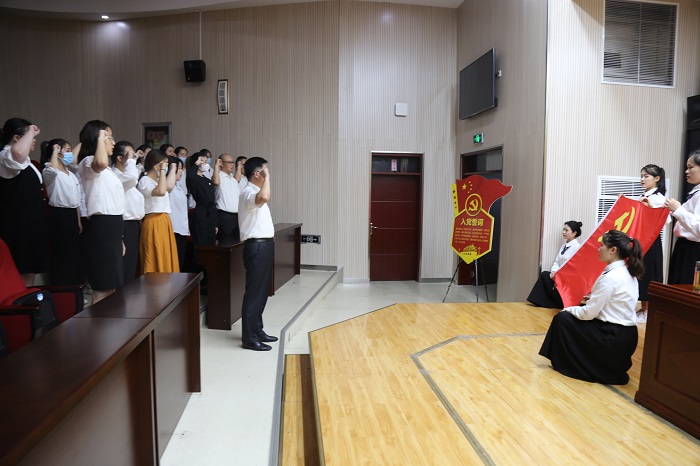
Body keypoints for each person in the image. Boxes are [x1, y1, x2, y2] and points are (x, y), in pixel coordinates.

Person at [539, 229, 643, 385]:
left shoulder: (611, 277)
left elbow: (589, 314)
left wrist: (569, 309)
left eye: (602, 245)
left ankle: (568, 363)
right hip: (627, 336)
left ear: (613, 250)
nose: (598, 249)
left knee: (563, 319)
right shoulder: (628, 273)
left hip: (611, 337)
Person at [77, 120, 136, 304]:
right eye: (109, 138)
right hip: (100, 227)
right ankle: (97, 322)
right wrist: (101, 138)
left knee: (111, 285)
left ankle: (107, 321)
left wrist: (119, 238)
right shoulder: (88, 162)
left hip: (113, 227)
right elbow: (101, 161)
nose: (113, 143)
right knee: (102, 286)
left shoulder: (108, 171)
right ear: (97, 138)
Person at [0, 118, 47, 286]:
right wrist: (31, 130)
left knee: (29, 270)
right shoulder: (6, 156)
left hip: (30, 224)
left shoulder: (27, 161)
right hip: (18, 226)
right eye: (29, 136)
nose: (33, 140)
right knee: (19, 271)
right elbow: (18, 153)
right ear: (16, 138)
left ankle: (28, 299)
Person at [238, 156, 277, 351]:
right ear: (257, 174)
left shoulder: (255, 191)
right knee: (254, 293)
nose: (268, 174)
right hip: (256, 247)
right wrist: (267, 178)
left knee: (261, 293)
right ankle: (249, 338)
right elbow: (264, 197)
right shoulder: (248, 192)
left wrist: (266, 177)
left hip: (265, 245)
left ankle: (257, 330)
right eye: (265, 171)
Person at [40, 138, 82, 285]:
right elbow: (52, 171)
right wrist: (54, 152)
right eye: (67, 150)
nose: (70, 154)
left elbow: (76, 200)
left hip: (72, 215)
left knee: (72, 254)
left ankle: (72, 287)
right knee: (61, 253)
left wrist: (78, 221)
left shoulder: (71, 173)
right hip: (59, 215)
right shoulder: (49, 171)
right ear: (57, 153)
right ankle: (60, 287)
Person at [137, 150, 179, 273]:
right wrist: (162, 170)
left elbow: (169, 187)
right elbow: (160, 192)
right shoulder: (144, 181)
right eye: (163, 163)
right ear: (154, 164)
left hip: (164, 220)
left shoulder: (159, 180)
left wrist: (172, 168)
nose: (164, 166)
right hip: (153, 221)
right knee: (155, 255)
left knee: (166, 255)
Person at [527, 221, 583, 309]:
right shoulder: (564, 246)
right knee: (545, 275)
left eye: (566, 230)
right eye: (563, 230)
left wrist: (559, 275)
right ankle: (539, 301)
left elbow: (572, 267)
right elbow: (557, 262)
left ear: (574, 233)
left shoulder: (577, 247)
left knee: (544, 275)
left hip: (567, 278)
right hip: (558, 275)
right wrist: (554, 272)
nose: (563, 232)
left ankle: (556, 303)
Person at [637, 164, 667, 322]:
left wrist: (651, 208)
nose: (642, 179)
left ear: (657, 178)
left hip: (652, 241)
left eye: (646, 176)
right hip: (641, 239)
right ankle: (643, 308)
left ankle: (648, 310)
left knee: (649, 274)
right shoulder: (643, 195)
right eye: (641, 176)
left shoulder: (659, 198)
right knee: (640, 273)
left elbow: (666, 220)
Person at [665, 149, 700, 285]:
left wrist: (678, 210)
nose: (686, 171)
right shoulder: (695, 192)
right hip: (684, 247)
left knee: (684, 287)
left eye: (690, 167)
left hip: (693, 250)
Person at [112, 141, 144, 283]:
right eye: (130, 155)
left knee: (131, 265)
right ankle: (121, 294)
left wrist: (138, 159)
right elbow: (131, 177)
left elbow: (134, 174)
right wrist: (133, 160)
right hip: (124, 223)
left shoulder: (126, 174)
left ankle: (128, 293)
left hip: (134, 223)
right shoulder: (115, 176)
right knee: (124, 265)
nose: (133, 158)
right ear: (120, 158)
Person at [186, 151, 218, 246]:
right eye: (203, 161)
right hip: (201, 211)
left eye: (206, 161)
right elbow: (190, 177)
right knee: (201, 241)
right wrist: (196, 164)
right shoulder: (193, 178)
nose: (205, 164)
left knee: (211, 241)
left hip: (211, 212)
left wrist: (215, 223)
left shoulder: (206, 179)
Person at [213, 153, 244, 243]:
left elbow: (238, 179)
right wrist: (216, 166)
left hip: (236, 216)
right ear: (221, 163)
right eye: (229, 162)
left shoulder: (232, 178)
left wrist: (239, 167)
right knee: (225, 242)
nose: (232, 165)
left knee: (236, 242)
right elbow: (215, 182)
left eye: (232, 162)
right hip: (225, 216)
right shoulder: (219, 176)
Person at [167, 156, 191, 270]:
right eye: (179, 168)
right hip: (173, 229)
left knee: (180, 261)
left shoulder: (179, 188)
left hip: (181, 229)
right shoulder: (168, 187)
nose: (182, 171)